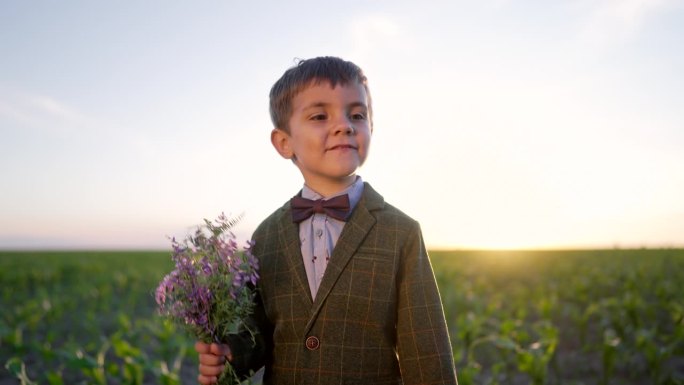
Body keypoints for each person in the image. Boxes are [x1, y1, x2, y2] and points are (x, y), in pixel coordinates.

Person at [195, 56, 458, 385]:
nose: (345, 125)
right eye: (320, 115)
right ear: (284, 142)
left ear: (371, 128)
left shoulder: (401, 232)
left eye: (357, 115)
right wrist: (230, 356)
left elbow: (427, 352)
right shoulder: (267, 235)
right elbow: (258, 332)